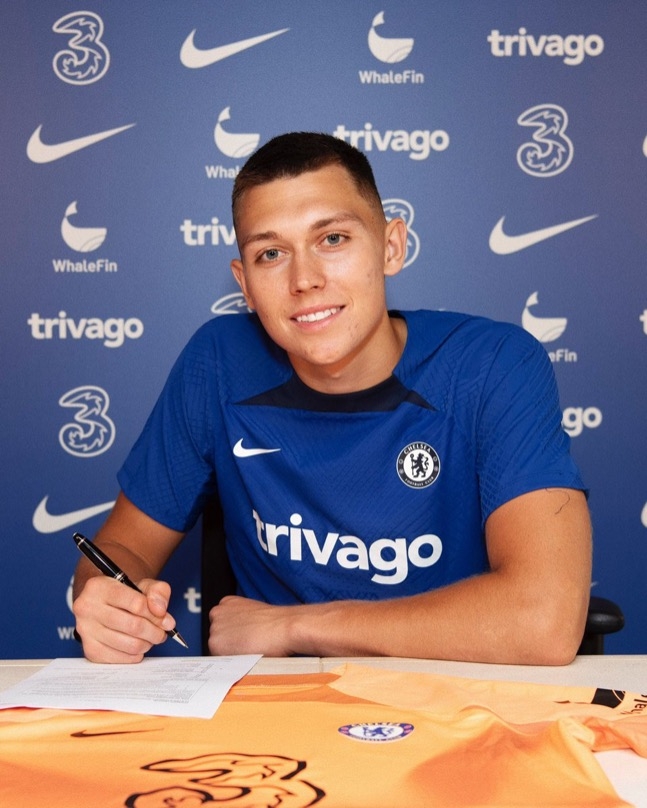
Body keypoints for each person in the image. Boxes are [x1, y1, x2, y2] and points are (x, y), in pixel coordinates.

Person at [72, 132, 592, 665]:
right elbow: (120, 549)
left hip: (453, 695)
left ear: (392, 246)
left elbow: (545, 621)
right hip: (278, 703)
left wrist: (294, 627)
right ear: (244, 284)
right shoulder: (217, 364)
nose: (305, 280)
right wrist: (107, 600)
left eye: (333, 239)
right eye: (271, 254)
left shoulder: (494, 364)